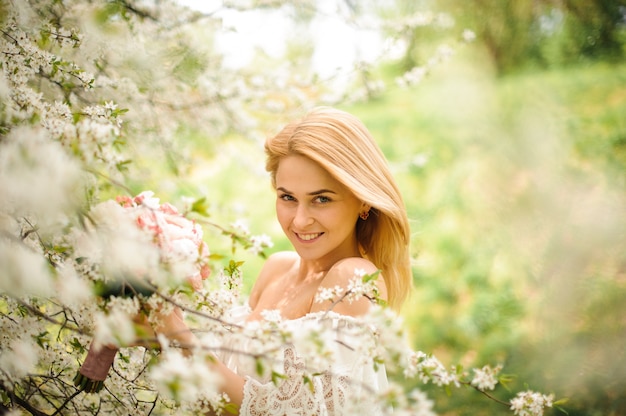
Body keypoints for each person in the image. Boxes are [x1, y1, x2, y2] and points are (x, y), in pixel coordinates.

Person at [152, 106, 412, 415]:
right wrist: (157, 322)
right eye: (287, 197)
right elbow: (224, 405)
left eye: (322, 199)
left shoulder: (353, 278)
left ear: (363, 201)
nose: (300, 221)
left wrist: (175, 332)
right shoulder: (276, 269)